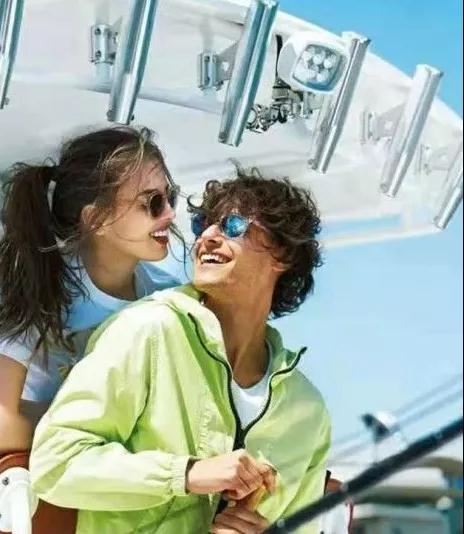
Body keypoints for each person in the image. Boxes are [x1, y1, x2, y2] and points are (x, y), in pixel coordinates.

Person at [30, 169, 331, 534]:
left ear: (283, 253)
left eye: (233, 225)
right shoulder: (148, 330)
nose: (207, 237)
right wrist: (186, 474)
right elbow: (55, 464)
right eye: (204, 225)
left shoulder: (307, 410)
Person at [0, 126, 182, 532]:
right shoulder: (37, 281)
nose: (170, 214)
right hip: (31, 472)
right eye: (152, 202)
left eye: (171, 197)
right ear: (96, 218)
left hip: (100, 475)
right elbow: (3, 416)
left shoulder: (166, 299)